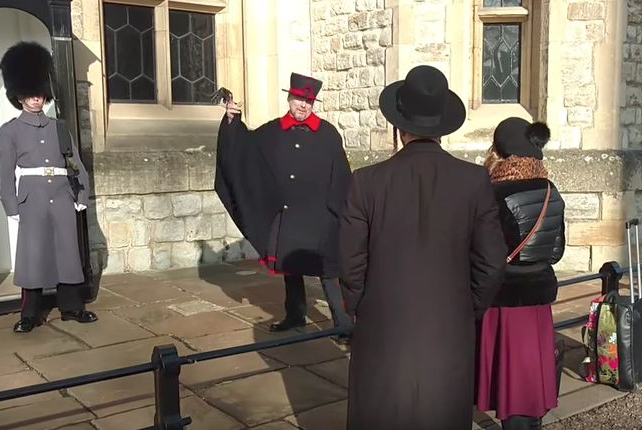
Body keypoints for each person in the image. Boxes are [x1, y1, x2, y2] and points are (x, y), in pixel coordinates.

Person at [338, 65, 507, 429]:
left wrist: (358, 306)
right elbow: (492, 261)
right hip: (449, 324)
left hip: (383, 323)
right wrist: (469, 306)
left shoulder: (366, 182)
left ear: (399, 128)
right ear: (442, 127)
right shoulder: (473, 180)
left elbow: (350, 261)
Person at [215, 72, 353, 338]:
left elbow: (342, 174)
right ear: (289, 98)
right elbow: (245, 148)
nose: (303, 105)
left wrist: (341, 212)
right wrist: (233, 121)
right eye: (299, 99)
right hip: (288, 215)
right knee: (291, 267)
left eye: (308, 101)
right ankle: (295, 315)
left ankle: (343, 323)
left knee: (328, 270)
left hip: (320, 215)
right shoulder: (273, 130)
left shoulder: (328, 134)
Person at [0, 41, 97, 333]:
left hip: (62, 193)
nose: (36, 99)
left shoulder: (59, 127)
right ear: (19, 95)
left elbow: (75, 163)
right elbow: (4, 172)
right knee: (32, 254)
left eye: (39, 93)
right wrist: (10, 204)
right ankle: (30, 313)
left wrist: (81, 193)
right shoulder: (10, 131)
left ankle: (72, 307)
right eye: (29, 93)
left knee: (68, 251)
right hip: (32, 196)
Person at [475, 117, 566, 430]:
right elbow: (556, 252)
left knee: (509, 381)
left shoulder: (493, 193)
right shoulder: (551, 190)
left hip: (505, 300)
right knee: (532, 377)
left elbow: (484, 253)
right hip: (538, 301)